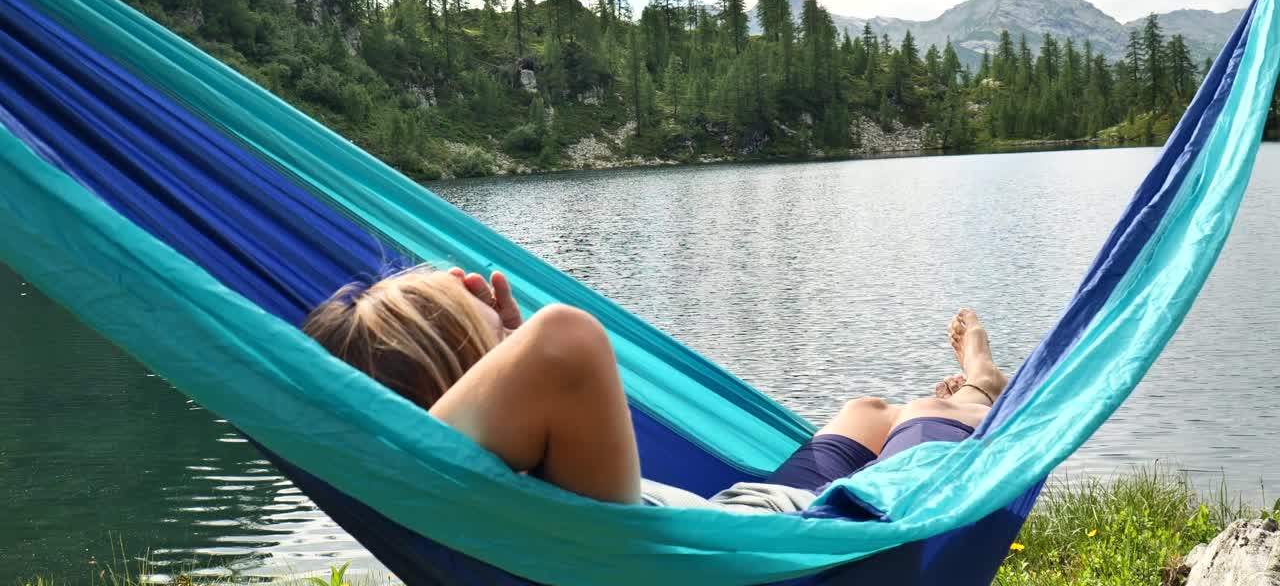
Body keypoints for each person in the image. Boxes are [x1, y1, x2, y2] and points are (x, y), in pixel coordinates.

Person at [301, 265, 1009, 513]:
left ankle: (943, 402)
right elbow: (564, 340)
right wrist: (518, 343)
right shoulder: (487, 484)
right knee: (934, 409)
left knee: (868, 411)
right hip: (808, 544)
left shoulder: (509, 472)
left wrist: (490, 339)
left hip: (737, 511)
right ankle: (983, 379)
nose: (507, 329)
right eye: (481, 328)